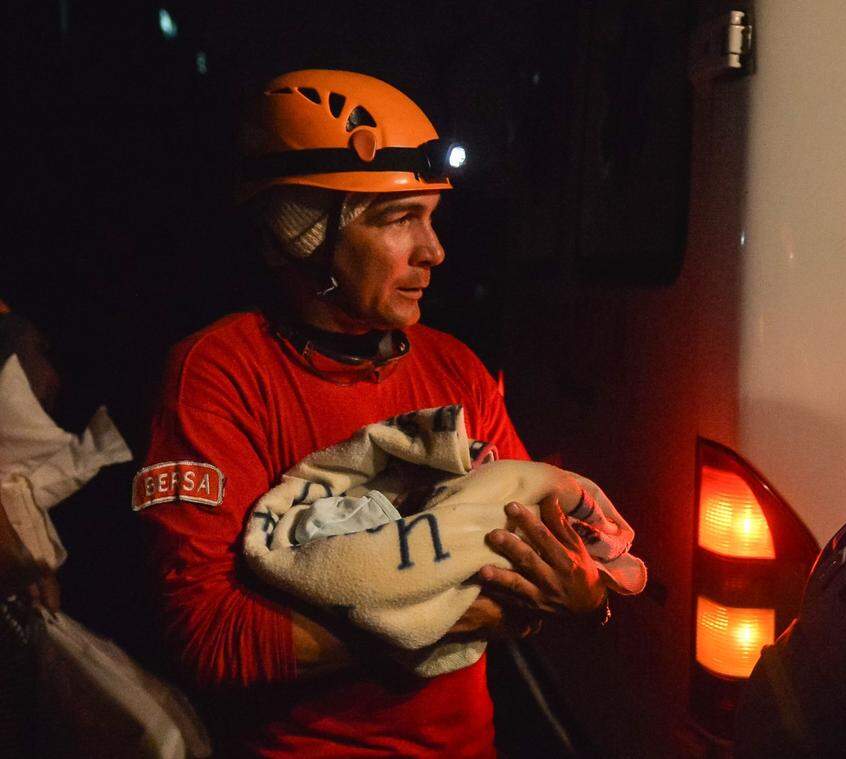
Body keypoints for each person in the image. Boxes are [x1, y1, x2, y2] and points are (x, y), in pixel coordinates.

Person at [135, 69, 608, 757]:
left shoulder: (455, 367)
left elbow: (542, 547)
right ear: (303, 231)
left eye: (432, 217)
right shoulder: (218, 375)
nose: (434, 252)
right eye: (398, 220)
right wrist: (456, 611)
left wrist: (584, 598)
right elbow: (208, 635)